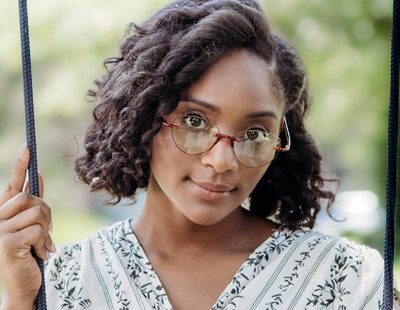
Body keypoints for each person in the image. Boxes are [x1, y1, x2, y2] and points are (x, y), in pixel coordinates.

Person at [0, 0, 398, 309]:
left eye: (255, 132)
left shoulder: (348, 281)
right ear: (146, 116)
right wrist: (20, 300)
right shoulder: (65, 281)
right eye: (194, 122)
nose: (222, 161)